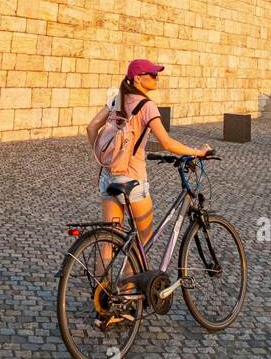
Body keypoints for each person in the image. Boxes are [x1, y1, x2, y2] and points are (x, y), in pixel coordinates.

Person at [87, 59, 212, 252]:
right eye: (152, 75)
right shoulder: (147, 106)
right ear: (138, 78)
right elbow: (167, 143)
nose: (157, 78)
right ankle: (128, 283)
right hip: (132, 179)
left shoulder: (117, 99)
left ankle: (101, 283)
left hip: (107, 176)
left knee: (109, 240)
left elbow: (92, 127)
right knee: (144, 237)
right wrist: (199, 152)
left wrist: (103, 157)